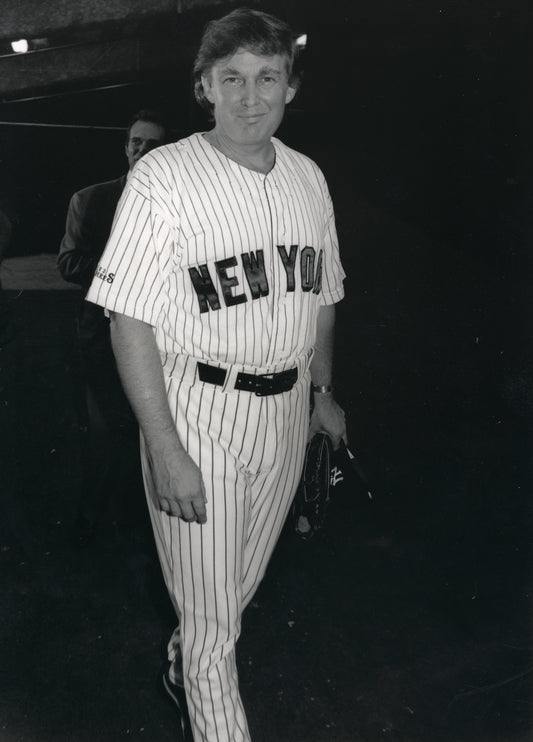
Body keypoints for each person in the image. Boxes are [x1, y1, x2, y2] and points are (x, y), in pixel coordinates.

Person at [86, 8, 346, 741]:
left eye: (267, 77)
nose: (249, 96)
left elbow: (323, 298)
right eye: (229, 78)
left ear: (290, 87)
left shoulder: (307, 178)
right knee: (212, 636)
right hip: (196, 412)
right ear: (203, 87)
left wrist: (321, 394)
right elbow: (128, 318)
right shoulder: (164, 179)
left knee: (230, 599)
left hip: (285, 414)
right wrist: (165, 449)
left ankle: (180, 658)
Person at [57, 110, 170, 545]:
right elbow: (68, 262)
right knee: (103, 433)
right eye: (137, 143)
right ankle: (90, 523)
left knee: (149, 431)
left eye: (153, 144)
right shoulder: (90, 199)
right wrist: (123, 267)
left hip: (161, 342)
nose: (143, 151)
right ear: (126, 147)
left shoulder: (178, 204)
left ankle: (139, 523)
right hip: (99, 342)